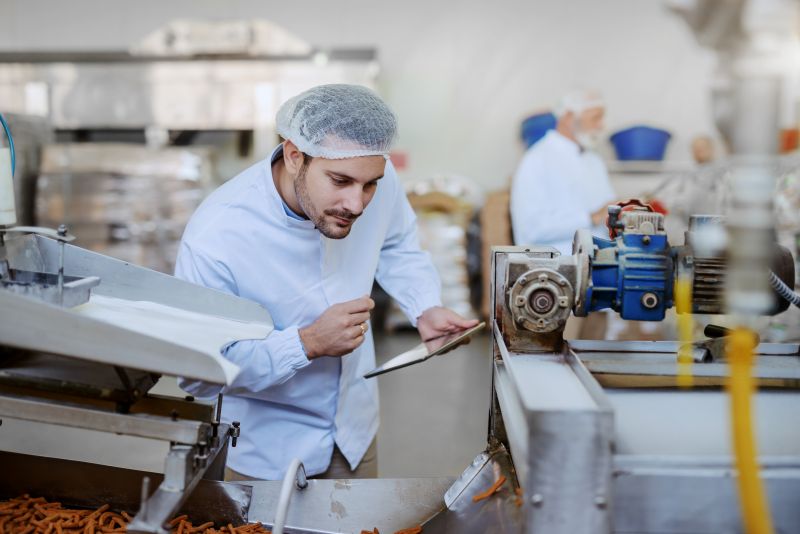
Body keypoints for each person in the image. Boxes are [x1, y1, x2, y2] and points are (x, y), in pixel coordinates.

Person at [175, 84, 477, 480]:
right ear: (295, 155)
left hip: (354, 433)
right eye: (340, 181)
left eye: (370, 185)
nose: (357, 203)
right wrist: (307, 343)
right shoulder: (219, 233)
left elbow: (397, 243)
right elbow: (199, 372)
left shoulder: (371, 179)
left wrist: (423, 306)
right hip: (265, 452)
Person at [510, 89, 616, 254]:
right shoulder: (536, 160)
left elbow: (606, 216)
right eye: (596, 118)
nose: (602, 125)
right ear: (568, 117)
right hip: (553, 274)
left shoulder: (594, 161)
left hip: (598, 271)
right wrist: (591, 218)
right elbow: (531, 229)